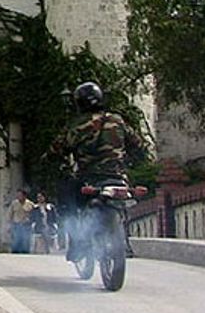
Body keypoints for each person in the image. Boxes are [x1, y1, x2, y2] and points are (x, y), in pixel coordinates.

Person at [56, 80, 145, 261]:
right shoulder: (116, 120)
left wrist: (54, 160)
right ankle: (125, 240)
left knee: (67, 198)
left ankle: (76, 241)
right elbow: (138, 144)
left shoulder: (76, 126)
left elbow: (57, 148)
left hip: (89, 178)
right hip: (118, 176)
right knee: (125, 201)